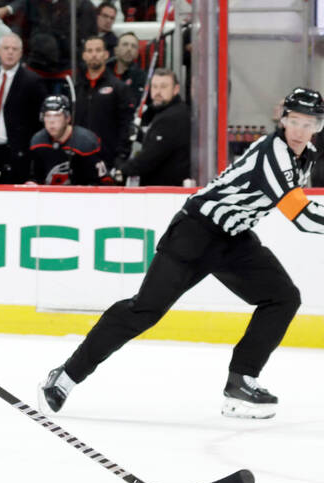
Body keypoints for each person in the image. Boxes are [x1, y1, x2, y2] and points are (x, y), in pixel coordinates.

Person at [39, 88, 324, 421]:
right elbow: (303, 217)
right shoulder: (273, 151)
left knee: (283, 297)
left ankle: (241, 382)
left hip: (234, 238)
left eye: (310, 123)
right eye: (294, 121)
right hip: (195, 233)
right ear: (282, 119)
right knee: (144, 310)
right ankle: (66, 376)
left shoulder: (306, 153)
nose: (301, 131)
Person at [0, 32, 46, 183]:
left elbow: (39, 121)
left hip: (18, 153)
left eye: (15, 49)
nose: (10, 52)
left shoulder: (33, 81)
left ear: (21, 53)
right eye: (6, 48)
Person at [116, 69, 190, 186]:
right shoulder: (162, 112)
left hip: (165, 191)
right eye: (154, 87)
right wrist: (141, 136)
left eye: (163, 87)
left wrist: (122, 170)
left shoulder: (172, 117)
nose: (158, 92)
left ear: (176, 89)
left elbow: (150, 157)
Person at [73, 35, 133, 170]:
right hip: (79, 159)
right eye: (89, 51)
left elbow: (126, 125)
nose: (94, 55)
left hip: (108, 160)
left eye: (98, 50)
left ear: (106, 54)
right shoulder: (76, 88)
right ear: (84, 56)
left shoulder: (119, 88)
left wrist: (121, 156)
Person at [26, 94, 109, 185]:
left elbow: (104, 182)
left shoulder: (86, 142)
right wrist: (32, 183)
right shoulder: (37, 142)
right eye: (47, 115)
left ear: (68, 118)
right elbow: (35, 177)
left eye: (57, 115)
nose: (51, 121)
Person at [111, 32, 146, 105]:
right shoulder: (104, 73)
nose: (129, 49)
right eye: (125, 44)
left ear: (137, 53)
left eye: (133, 46)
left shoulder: (143, 78)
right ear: (116, 50)